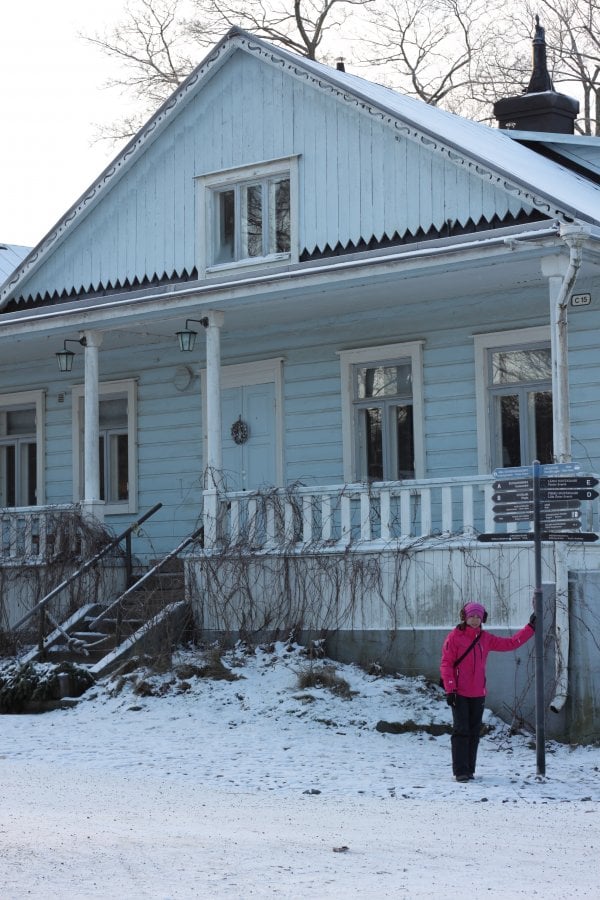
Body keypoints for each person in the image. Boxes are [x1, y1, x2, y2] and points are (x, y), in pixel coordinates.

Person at [439, 601, 535, 783]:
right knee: (461, 730)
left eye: (478, 616)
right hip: (459, 692)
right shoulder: (455, 637)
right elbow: (446, 664)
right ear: (464, 617)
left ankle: (470, 769)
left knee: (474, 732)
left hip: (478, 693)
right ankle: (460, 771)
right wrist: (450, 689)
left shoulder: (485, 638)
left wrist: (530, 628)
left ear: (483, 618)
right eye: (471, 616)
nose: (475, 620)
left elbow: (510, 643)